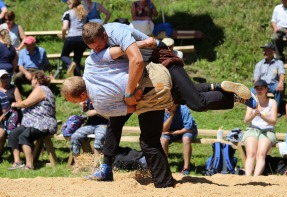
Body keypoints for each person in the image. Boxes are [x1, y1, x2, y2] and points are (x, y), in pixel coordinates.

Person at [80, 22, 257, 187]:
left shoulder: (117, 31)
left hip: (159, 58)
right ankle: (106, 167)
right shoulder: (100, 44)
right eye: (93, 48)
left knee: (196, 102)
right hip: (148, 75)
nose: (97, 50)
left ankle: (234, 97)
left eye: (98, 45)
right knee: (118, 120)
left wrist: (129, 93)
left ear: (104, 34)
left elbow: (137, 60)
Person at [61, 37, 174, 188]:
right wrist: (144, 43)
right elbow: (122, 49)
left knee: (149, 141)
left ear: (82, 95)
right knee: (115, 126)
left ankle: (164, 182)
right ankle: (107, 168)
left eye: (74, 101)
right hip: (146, 80)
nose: (78, 104)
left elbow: (133, 108)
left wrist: (130, 99)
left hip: (151, 85)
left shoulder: (100, 102)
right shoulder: (90, 62)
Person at [7, 70, 57, 170]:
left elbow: (26, 103)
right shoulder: (40, 89)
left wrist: (15, 104)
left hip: (42, 124)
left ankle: (29, 165)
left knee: (24, 136)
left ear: (36, 80)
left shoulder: (41, 89)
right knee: (13, 134)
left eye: (32, 78)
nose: (30, 81)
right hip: (32, 123)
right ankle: (17, 162)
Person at [242, 79, 277, 176]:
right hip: (253, 129)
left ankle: (256, 178)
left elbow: (273, 122)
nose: (259, 90)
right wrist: (254, 114)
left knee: (261, 154)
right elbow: (246, 121)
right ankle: (248, 178)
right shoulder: (251, 102)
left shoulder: (272, 102)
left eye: (261, 88)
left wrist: (261, 115)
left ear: (266, 89)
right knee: (251, 154)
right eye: (257, 88)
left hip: (268, 131)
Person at [70, 99, 108, 172]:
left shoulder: (106, 96)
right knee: (75, 136)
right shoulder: (89, 96)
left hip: (104, 124)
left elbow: (112, 115)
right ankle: (78, 165)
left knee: (99, 137)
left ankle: (95, 166)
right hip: (90, 124)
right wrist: (84, 107)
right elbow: (87, 112)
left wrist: (97, 111)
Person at [160, 104, 198, 176]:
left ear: (176, 104)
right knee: (163, 140)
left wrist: (171, 133)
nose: (167, 106)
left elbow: (188, 128)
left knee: (186, 139)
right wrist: (171, 116)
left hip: (187, 131)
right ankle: (164, 168)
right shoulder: (164, 109)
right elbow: (164, 130)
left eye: (169, 103)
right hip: (171, 131)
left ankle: (186, 168)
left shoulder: (184, 109)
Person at [252, 43, 285, 117]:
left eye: (266, 50)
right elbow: (256, 78)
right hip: (262, 85)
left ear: (273, 52)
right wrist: (258, 86)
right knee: (252, 91)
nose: (264, 52)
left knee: (279, 88)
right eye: (264, 50)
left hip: (273, 85)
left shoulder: (279, 63)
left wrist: (281, 82)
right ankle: (256, 109)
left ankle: (276, 110)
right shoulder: (259, 64)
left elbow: (282, 74)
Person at [61, 0, 87, 77]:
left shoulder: (68, 13)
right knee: (77, 61)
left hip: (71, 37)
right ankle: (79, 80)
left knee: (64, 55)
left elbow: (64, 28)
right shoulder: (84, 13)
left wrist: (63, 36)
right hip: (82, 39)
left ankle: (70, 63)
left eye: (69, 3)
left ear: (72, 3)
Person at [0, 69, 22, 162]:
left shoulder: (13, 88)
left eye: (6, 77)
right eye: (2, 78)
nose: (5, 79)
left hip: (10, 117)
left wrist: (14, 106)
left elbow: (20, 102)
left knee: (0, 135)